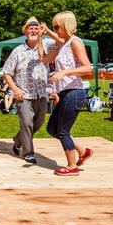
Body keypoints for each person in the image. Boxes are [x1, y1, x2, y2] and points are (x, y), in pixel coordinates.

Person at [38, 11, 94, 176]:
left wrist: (64, 72)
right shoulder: (63, 45)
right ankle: (83, 151)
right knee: (52, 129)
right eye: (53, 26)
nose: (55, 29)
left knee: (62, 131)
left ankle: (72, 167)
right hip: (65, 93)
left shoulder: (75, 42)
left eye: (57, 27)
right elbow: (44, 58)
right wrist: (42, 36)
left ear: (66, 26)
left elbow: (88, 68)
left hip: (74, 93)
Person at [2, 16, 55, 164]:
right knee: (26, 123)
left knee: (38, 123)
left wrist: (48, 32)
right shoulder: (18, 51)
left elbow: (62, 43)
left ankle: (17, 140)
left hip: (42, 93)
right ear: (25, 32)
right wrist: (15, 89)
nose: (33, 30)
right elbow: (6, 72)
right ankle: (28, 153)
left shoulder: (47, 44)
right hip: (23, 94)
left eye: (36, 27)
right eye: (30, 28)